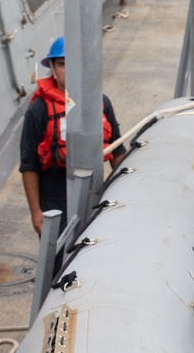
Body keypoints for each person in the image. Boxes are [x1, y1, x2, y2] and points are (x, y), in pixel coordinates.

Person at [20, 37, 127, 236]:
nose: (68, 70)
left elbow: (117, 150)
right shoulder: (38, 110)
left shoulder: (100, 103)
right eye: (61, 64)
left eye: (74, 64)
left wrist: (127, 194)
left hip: (93, 194)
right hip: (54, 201)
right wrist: (36, 212)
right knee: (57, 262)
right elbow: (29, 165)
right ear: (52, 67)